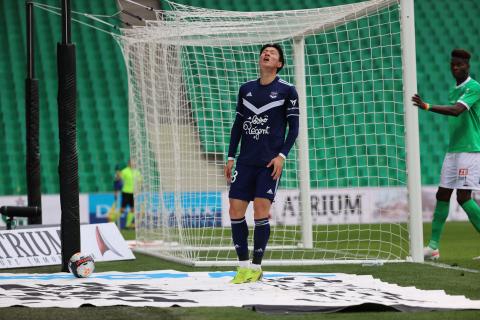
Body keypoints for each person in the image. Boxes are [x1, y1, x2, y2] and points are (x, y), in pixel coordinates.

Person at [225, 43, 299, 283]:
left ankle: (256, 267)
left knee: (260, 211)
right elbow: (238, 126)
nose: (267, 54)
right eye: (264, 52)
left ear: (279, 64)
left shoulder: (288, 91)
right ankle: (242, 267)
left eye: (273, 53)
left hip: (269, 164)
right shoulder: (245, 89)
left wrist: (282, 156)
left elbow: (294, 129)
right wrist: (230, 156)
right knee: (235, 210)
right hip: (245, 162)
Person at [412, 49, 480, 260]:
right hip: (453, 150)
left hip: (469, 149)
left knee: (463, 197)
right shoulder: (454, 89)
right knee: (442, 194)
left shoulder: (474, 87)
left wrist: (427, 106)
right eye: (452, 65)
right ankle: (432, 247)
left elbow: (456, 111)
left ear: (467, 66)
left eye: (459, 65)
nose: (455, 68)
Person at [119, 159, 141, 229]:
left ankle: (127, 225)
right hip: (126, 192)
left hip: (134, 193)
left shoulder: (137, 172)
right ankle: (116, 223)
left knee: (133, 209)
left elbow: (140, 181)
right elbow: (119, 180)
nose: (132, 164)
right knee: (122, 209)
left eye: (134, 162)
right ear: (128, 163)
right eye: (131, 162)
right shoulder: (124, 171)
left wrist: (139, 189)